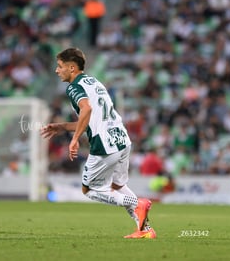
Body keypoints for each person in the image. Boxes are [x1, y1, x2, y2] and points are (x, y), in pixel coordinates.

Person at [41, 47, 156, 239]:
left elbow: (86, 110)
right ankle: (145, 229)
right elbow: (92, 118)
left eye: (60, 66)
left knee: (89, 190)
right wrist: (62, 126)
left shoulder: (74, 87)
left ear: (71, 68)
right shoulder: (94, 82)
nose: (56, 70)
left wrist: (75, 139)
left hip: (104, 144)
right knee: (117, 187)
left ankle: (137, 204)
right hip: (121, 139)